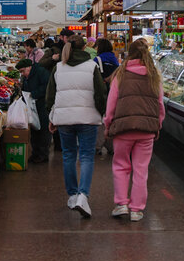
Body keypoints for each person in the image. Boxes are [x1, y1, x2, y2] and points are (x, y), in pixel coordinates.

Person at [104, 37, 165, 222]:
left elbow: (111, 103)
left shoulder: (120, 74)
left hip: (123, 128)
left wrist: (108, 124)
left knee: (121, 166)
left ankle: (121, 204)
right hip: (146, 130)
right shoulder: (154, 75)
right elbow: (160, 105)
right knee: (141, 169)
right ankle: (137, 210)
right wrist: (157, 125)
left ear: (129, 54)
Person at [46, 36, 107, 217]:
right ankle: (83, 196)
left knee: (69, 156)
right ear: (86, 47)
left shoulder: (59, 67)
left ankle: (72, 195)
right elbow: (100, 93)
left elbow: (50, 96)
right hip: (88, 119)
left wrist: (52, 116)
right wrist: (101, 113)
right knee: (87, 156)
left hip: (64, 119)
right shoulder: (92, 67)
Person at [17, 58, 51, 163]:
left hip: (42, 104)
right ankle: (35, 153)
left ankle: (43, 154)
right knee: (34, 129)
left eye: (23, 71)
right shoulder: (27, 76)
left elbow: (47, 87)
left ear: (29, 67)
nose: (22, 74)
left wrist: (33, 93)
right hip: (33, 105)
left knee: (43, 129)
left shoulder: (41, 72)